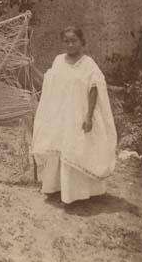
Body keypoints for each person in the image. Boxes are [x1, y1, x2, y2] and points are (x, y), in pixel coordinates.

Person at [31, 26, 117, 204]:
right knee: (59, 146)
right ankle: (56, 187)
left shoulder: (88, 63)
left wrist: (89, 115)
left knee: (77, 147)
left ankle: (79, 192)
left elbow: (94, 88)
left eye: (74, 41)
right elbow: (51, 84)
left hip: (78, 113)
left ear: (81, 42)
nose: (70, 45)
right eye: (66, 41)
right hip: (61, 114)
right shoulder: (58, 60)